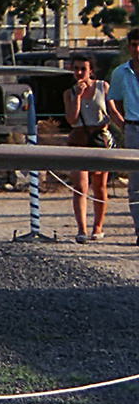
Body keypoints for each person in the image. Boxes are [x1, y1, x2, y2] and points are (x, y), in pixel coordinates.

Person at [63, 52, 111, 243]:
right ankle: (81, 229)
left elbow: (111, 110)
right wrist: (78, 96)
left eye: (83, 68)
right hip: (78, 138)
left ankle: (98, 227)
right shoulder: (69, 93)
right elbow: (71, 119)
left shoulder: (103, 87)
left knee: (99, 186)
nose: (80, 72)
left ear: (91, 70)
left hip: (99, 138)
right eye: (76, 68)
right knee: (80, 186)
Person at [108, 28, 139, 245]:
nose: (138, 49)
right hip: (134, 129)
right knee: (135, 182)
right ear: (129, 47)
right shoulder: (120, 73)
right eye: (134, 44)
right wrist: (124, 123)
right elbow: (115, 101)